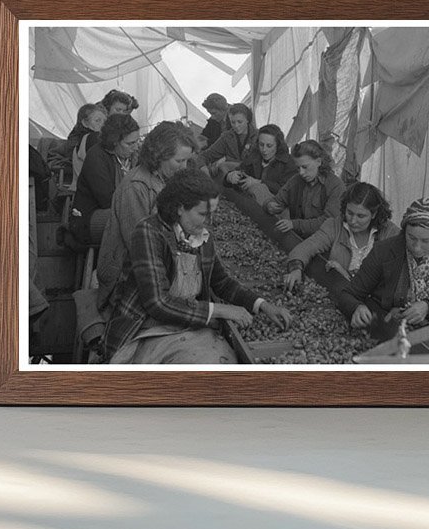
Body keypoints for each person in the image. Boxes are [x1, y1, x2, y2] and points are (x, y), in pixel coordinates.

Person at [104, 170, 291, 364]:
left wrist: (263, 305)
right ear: (179, 208)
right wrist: (218, 310)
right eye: (203, 214)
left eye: (212, 214)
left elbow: (222, 282)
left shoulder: (200, 237)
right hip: (147, 328)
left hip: (187, 325)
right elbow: (157, 303)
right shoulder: (149, 232)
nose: (208, 222)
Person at [337, 198, 429, 353]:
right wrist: (357, 307)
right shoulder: (384, 251)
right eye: (411, 238)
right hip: (395, 329)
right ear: (404, 231)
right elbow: (348, 294)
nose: (416, 247)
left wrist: (428, 307)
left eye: (425, 241)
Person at [95, 120, 198, 301]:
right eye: (179, 161)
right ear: (158, 156)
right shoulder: (136, 188)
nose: (184, 167)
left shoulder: (165, 179)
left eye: (187, 161)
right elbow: (140, 249)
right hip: (126, 280)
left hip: (157, 266)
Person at [283, 181, 399, 297]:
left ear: (374, 214)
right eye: (350, 213)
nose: (353, 221)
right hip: (339, 296)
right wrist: (296, 269)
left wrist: (346, 274)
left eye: (361, 216)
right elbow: (306, 248)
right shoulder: (334, 226)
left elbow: (389, 277)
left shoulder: (390, 233)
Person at [68, 113, 141, 248]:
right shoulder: (96, 157)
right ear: (114, 142)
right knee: (136, 222)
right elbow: (108, 200)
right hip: (89, 219)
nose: (136, 147)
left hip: (124, 212)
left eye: (138, 141)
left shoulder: (134, 156)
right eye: (130, 143)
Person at [264, 139, 346, 247]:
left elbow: (328, 223)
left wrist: (294, 224)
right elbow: (277, 200)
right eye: (298, 168)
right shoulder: (296, 181)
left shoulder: (335, 186)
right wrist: (269, 206)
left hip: (322, 244)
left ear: (319, 162)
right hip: (297, 238)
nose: (301, 173)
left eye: (305, 167)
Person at [224, 123, 296, 207]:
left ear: (278, 145)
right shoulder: (255, 156)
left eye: (269, 146)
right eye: (261, 145)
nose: (264, 150)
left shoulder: (289, 163)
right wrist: (230, 176)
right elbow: (240, 170)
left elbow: (287, 191)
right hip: (253, 204)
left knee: (257, 188)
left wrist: (259, 182)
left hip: (276, 206)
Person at [201, 102, 256, 177]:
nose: (236, 126)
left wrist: (229, 160)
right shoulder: (227, 137)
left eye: (240, 122)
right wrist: (203, 168)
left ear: (247, 120)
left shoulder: (259, 136)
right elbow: (205, 155)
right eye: (233, 122)